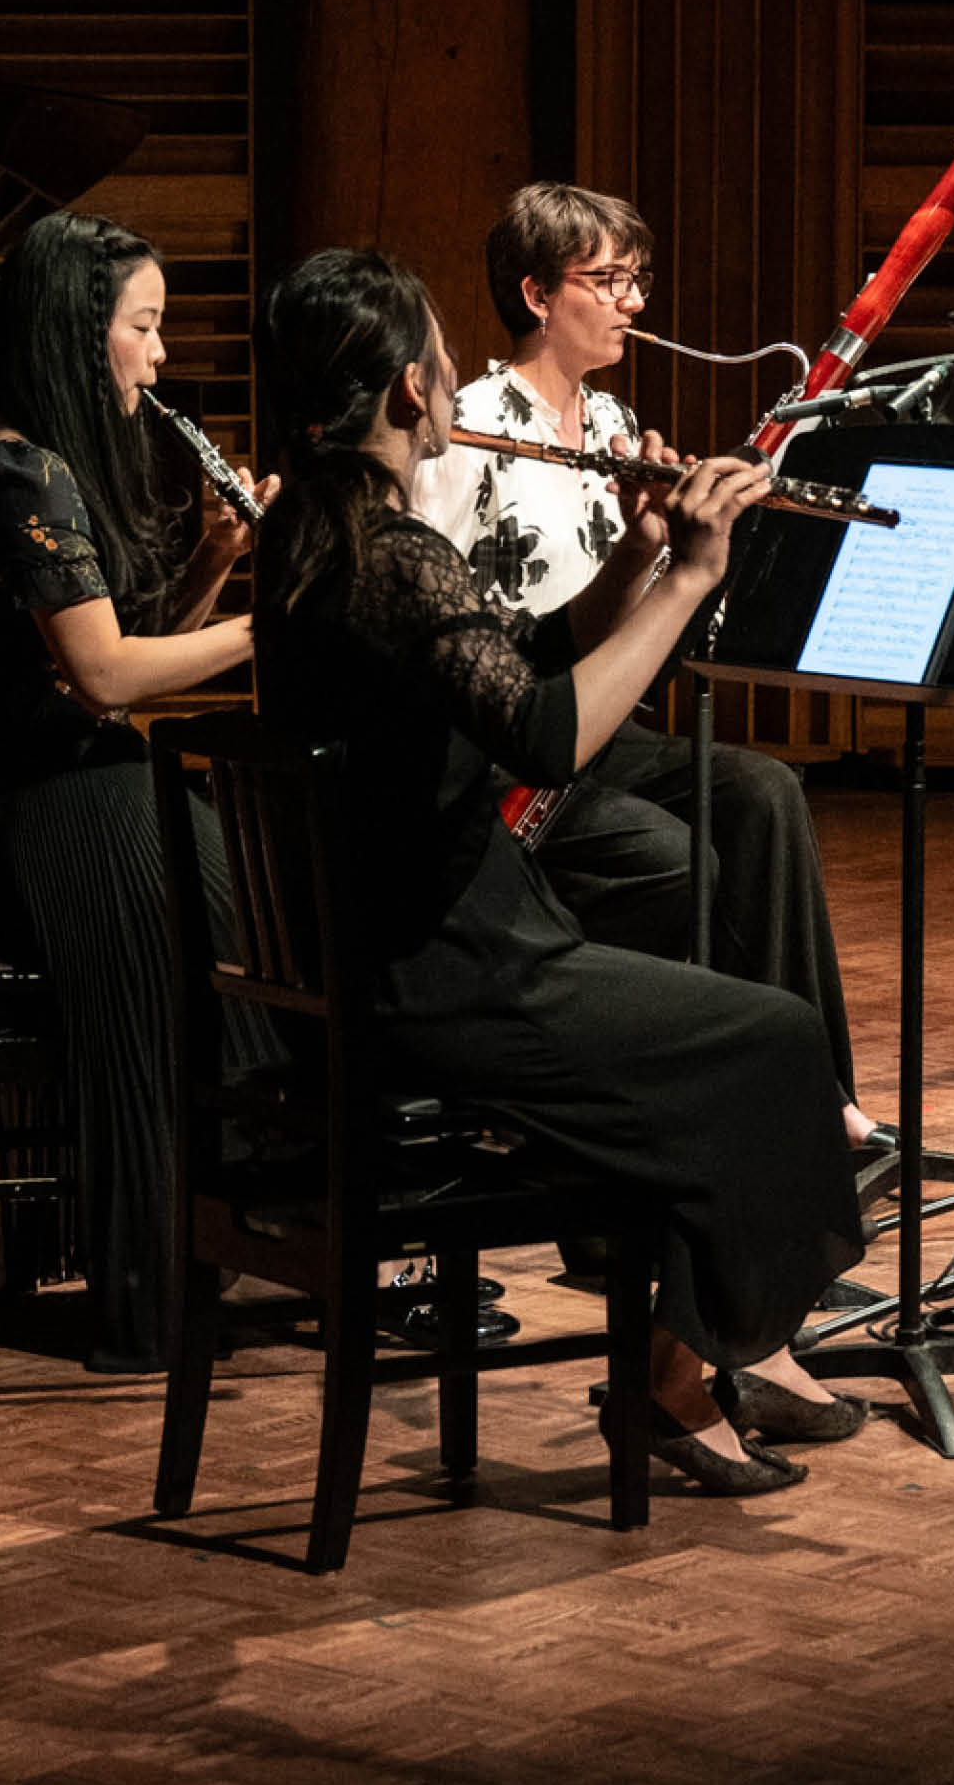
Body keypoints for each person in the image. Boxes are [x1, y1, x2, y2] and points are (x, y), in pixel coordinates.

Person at [253, 247, 867, 1492]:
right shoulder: (397, 553)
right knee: (772, 1039)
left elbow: (507, 666)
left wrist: (636, 561)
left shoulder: (310, 536)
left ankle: (698, 1355)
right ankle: (679, 1370)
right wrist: (693, 577)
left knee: (721, 1035)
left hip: (391, 951)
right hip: (457, 972)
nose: (444, 367)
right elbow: (547, 735)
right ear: (411, 393)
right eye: (432, 350)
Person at [401, 182, 887, 1164]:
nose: (631, 302)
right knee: (670, 852)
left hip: (590, 721)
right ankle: (695, 1125)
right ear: (537, 295)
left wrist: (648, 547)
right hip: (503, 739)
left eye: (636, 280)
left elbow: (613, 644)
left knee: (762, 790)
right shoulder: (473, 429)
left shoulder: (619, 426)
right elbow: (431, 616)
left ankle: (815, 1091)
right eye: (607, 280)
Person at [0, 210, 268, 1371]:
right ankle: (167, 1262)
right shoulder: (14, 471)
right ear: (84, 340)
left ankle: (244, 1229)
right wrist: (262, 623)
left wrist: (211, 566)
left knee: (264, 898)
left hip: (88, 780)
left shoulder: (57, 465)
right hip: (46, 814)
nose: (160, 354)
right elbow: (100, 678)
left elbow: (118, 666)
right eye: (144, 328)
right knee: (230, 919)